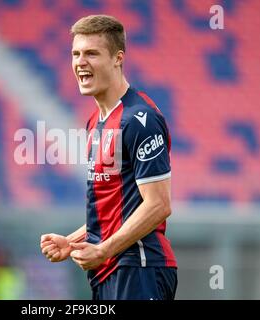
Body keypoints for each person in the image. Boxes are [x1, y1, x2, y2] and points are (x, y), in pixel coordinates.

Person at [40, 14, 177, 300]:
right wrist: (72, 242)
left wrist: (104, 249)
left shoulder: (141, 119)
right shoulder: (95, 123)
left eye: (91, 53)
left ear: (118, 58)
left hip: (139, 268)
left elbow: (159, 205)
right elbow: (113, 210)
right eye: (75, 54)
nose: (80, 62)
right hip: (108, 271)